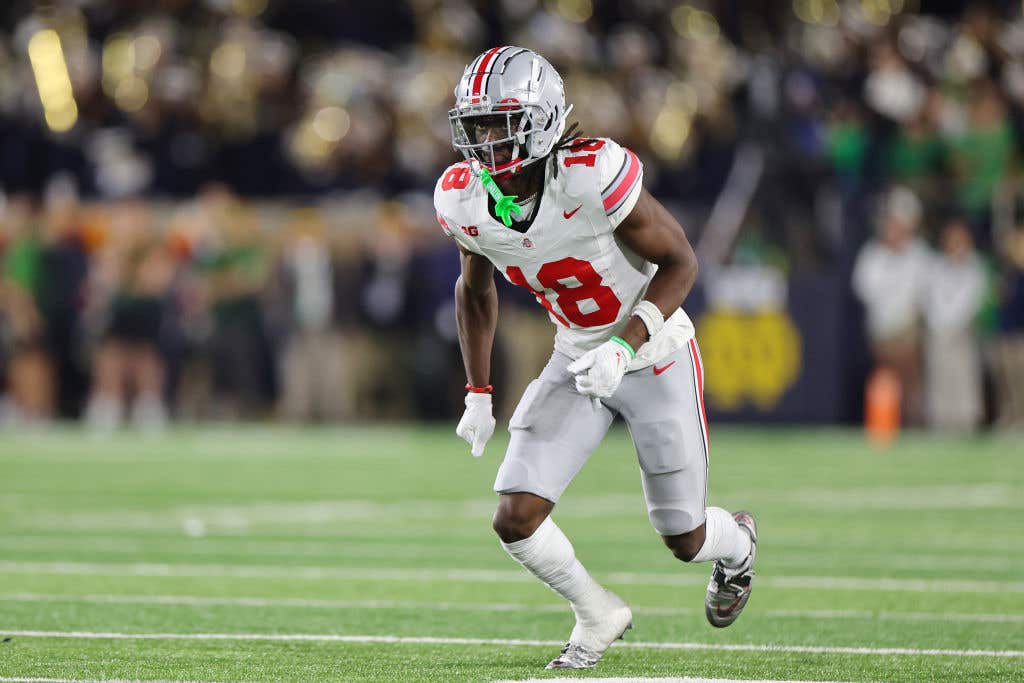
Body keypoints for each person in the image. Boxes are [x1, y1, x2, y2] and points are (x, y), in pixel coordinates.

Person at [433, 47, 757, 671]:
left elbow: (682, 262)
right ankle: (597, 613)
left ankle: (737, 544)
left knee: (684, 537)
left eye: (502, 124)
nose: (487, 142)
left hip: (654, 352)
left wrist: (624, 343)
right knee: (515, 515)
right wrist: (479, 391)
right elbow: (474, 288)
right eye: (477, 127)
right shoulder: (464, 199)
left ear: (543, 118)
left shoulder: (592, 173)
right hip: (576, 357)